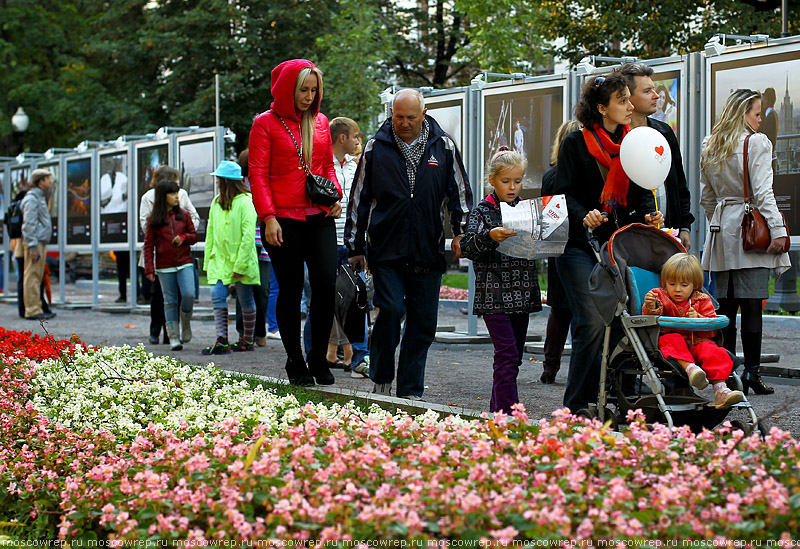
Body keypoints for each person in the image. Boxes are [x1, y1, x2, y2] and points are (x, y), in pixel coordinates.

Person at [345, 88, 473, 400]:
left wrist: (461, 232)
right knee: (389, 309)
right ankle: (382, 376)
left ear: (423, 115)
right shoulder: (376, 148)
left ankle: (411, 390)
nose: (404, 123)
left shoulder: (443, 146)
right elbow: (359, 198)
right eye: (398, 117)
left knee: (423, 323)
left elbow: (459, 192)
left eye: (410, 117)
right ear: (391, 115)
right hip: (386, 249)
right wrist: (355, 246)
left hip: (427, 249)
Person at [552, 74, 662, 413]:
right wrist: (585, 214)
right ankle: (577, 405)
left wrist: (649, 217)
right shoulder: (575, 143)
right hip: (578, 245)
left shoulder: (635, 142)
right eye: (622, 101)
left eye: (630, 99)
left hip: (619, 244)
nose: (631, 106)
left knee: (627, 319)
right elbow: (560, 194)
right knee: (591, 318)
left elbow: (644, 191)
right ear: (601, 109)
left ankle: (617, 397)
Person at [248, 59, 341, 386]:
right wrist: (268, 217)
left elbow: (327, 166)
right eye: (303, 89)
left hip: (318, 216)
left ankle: (317, 357)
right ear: (288, 88)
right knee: (290, 290)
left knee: (326, 286)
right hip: (283, 220)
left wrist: (335, 197)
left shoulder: (321, 122)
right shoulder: (265, 123)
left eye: (314, 90)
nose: (309, 95)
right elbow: (257, 175)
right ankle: (294, 360)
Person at [700, 88, 791, 396]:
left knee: (725, 307)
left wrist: (723, 220)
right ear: (743, 113)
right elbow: (764, 193)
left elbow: (706, 198)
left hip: (722, 233)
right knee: (752, 304)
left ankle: (723, 374)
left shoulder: (710, 144)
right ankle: (752, 373)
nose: (759, 119)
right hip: (751, 231)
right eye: (755, 112)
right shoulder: (757, 143)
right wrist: (777, 229)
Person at [460, 148, 541, 413]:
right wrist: (490, 237)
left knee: (514, 358)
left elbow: (538, 248)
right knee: (506, 356)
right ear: (492, 180)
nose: (512, 186)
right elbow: (469, 247)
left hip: (522, 292)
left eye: (517, 181)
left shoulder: (528, 210)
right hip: (493, 294)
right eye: (506, 181)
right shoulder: (482, 212)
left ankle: (497, 414)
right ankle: (510, 414)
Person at [641, 253, 744, 409]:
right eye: (672, 283)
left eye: (684, 285)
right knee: (670, 340)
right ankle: (692, 369)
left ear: (695, 284)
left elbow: (710, 328)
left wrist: (699, 318)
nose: (677, 289)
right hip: (675, 346)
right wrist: (651, 306)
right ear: (664, 282)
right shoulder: (660, 296)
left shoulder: (702, 300)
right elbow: (649, 319)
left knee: (716, 352)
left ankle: (721, 390)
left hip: (699, 342)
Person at [617, 62, 694, 250]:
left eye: (654, 89)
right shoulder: (615, 138)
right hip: (631, 237)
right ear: (628, 97)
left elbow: (679, 184)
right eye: (647, 91)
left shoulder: (664, 132)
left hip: (670, 233)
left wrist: (684, 226)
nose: (656, 95)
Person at [203, 160, 260, 355]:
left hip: (241, 259)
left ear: (226, 181)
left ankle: (247, 340)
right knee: (217, 296)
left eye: (219, 179)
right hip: (219, 260)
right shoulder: (216, 202)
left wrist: (241, 263)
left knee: (245, 300)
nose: (217, 182)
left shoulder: (245, 201)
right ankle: (222, 340)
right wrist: (208, 261)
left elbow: (248, 235)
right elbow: (210, 232)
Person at [540, 119, 582, 384]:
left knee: (559, 310)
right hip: (575, 245)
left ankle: (549, 367)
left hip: (556, 246)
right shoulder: (574, 175)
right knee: (579, 310)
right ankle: (577, 367)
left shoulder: (550, 174)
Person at [139, 166, 200, 345]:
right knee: (163, 297)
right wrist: (162, 232)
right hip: (161, 257)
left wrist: (184, 234)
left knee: (184, 294)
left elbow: (193, 220)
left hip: (182, 256)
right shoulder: (149, 199)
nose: (177, 191)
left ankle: (173, 332)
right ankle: (162, 333)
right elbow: (147, 233)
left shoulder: (182, 201)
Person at [329, 116, 370, 377]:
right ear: (342, 138)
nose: (358, 141)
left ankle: (359, 357)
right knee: (325, 303)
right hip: (329, 243)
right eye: (355, 136)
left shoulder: (356, 167)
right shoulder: (324, 165)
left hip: (352, 243)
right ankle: (318, 355)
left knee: (358, 299)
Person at [234, 149, 273, 347]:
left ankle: (259, 332)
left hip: (263, 245)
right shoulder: (240, 184)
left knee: (262, 289)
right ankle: (244, 331)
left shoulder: (267, 179)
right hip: (245, 244)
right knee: (243, 290)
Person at [20, 169, 56, 321]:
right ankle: (32, 310)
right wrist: (33, 246)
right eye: (48, 179)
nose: (50, 182)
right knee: (32, 276)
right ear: (41, 181)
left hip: (39, 242)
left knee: (37, 275)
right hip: (35, 244)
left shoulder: (40, 197)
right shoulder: (32, 199)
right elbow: (29, 224)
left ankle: (37, 307)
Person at [761, 87, 778, 166]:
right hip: (769, 157)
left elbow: (770, 138)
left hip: (769, 158)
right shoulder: (769, 114)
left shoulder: (771, 116)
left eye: (765, 99)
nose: (763, 101)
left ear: (769, 100)